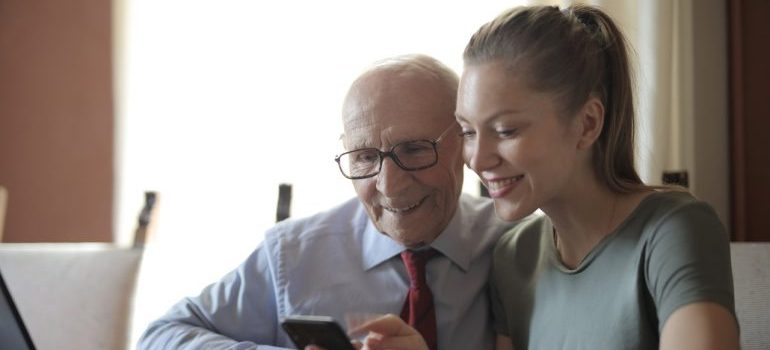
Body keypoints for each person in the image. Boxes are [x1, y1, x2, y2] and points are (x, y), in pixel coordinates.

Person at [352, 4, 739, 350]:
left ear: (587, 123)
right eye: (468, 132)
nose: (478, 159)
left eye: (505, 131)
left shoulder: (672, 230)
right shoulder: (514, 256)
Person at [137, 54, 514, 350]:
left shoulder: (518, 248)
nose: (389, 186)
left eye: (414, 150)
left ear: (466, 143)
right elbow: (160, 337)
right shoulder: (292, 255)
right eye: (365, 157)